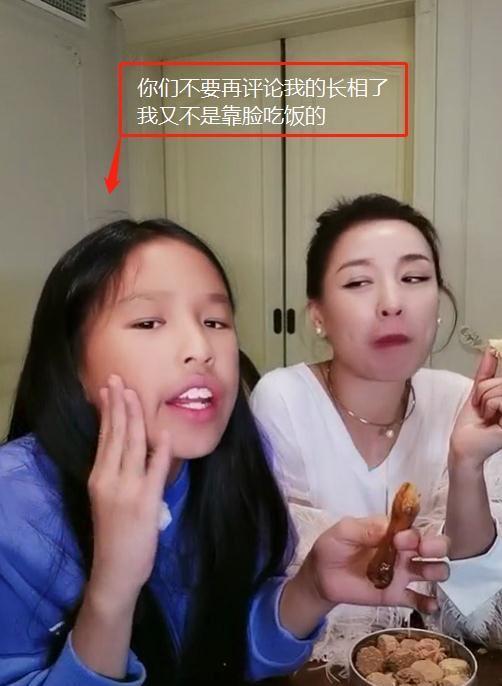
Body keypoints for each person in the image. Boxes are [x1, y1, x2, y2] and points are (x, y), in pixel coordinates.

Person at [0, 218, 448, 686]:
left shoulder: (235, 466)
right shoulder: (13, 505)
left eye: (215, 322)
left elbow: (225, 654)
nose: (200, 348)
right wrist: (111, 592)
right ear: (73, 362)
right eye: (149, 322)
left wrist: (313, 588)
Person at [250, 194, 502, 668]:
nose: (392, 303)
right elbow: (273, 585)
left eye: (414, 278)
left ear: (439, 303)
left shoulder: (458, 400)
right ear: (318, 315)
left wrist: (467, 464)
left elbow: (472, 606)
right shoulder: (283, 399)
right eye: (358, 282)